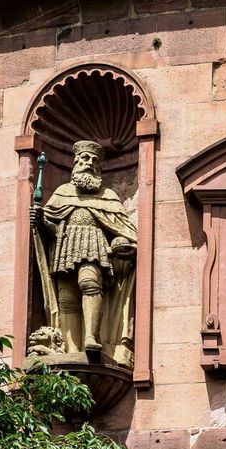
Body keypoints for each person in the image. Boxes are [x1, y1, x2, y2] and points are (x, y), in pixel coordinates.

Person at [30, 141, 137, 356]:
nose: (89, 163)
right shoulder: (62, 192)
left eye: (94, 161)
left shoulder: (108, 196)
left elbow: (124, 230)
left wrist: (121, 243)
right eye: (85, 159)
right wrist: (40, 220)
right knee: (66, 299)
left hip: (94, 246)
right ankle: (72, 350)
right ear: (76, 163)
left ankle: (91, 337)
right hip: (66, 247)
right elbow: (52, 229)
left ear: (99, 168)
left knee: (89, 283)